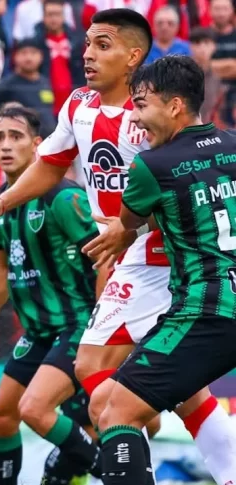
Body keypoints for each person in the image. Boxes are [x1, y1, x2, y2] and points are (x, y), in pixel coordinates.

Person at [0, 8, 236, 484]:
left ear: (134, 57)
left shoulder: (153, 116)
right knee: (154, 386)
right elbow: (51, 163)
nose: (88, 54)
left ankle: (133, 433)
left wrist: (127, 231)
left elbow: (181, 184)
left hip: (163, 259)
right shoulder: (78, 105)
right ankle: (160, 440)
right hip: (125, 257)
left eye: (103, 45)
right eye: (88, 43)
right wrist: (2, 201)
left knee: (106, 384)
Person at [79, 55, 236, 485]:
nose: (135, 117)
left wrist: (117, 232)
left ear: (175, 105)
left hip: (205, 312)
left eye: (142, 105)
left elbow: (127, 222)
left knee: (114, 411)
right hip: (217, 307)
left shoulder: (152, 166)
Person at [0, 107, 101, 485]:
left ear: (37, 145)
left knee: (42, 412)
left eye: (15, 136)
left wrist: (104, 328)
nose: (5, 145)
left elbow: (106, 259)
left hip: (77, 326)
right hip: (38, 333)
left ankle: (118, 474)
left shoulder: (63, 198)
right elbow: (2, 270)